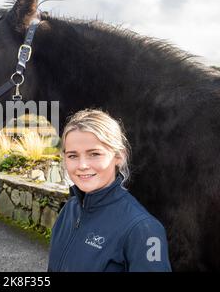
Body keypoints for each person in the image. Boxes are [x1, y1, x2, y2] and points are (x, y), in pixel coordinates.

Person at [48, 109, 171, 272]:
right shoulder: (69, 209)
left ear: (119, 156)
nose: (82, 165)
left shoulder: (143, 229)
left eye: (94, 154)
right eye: (72, 155)